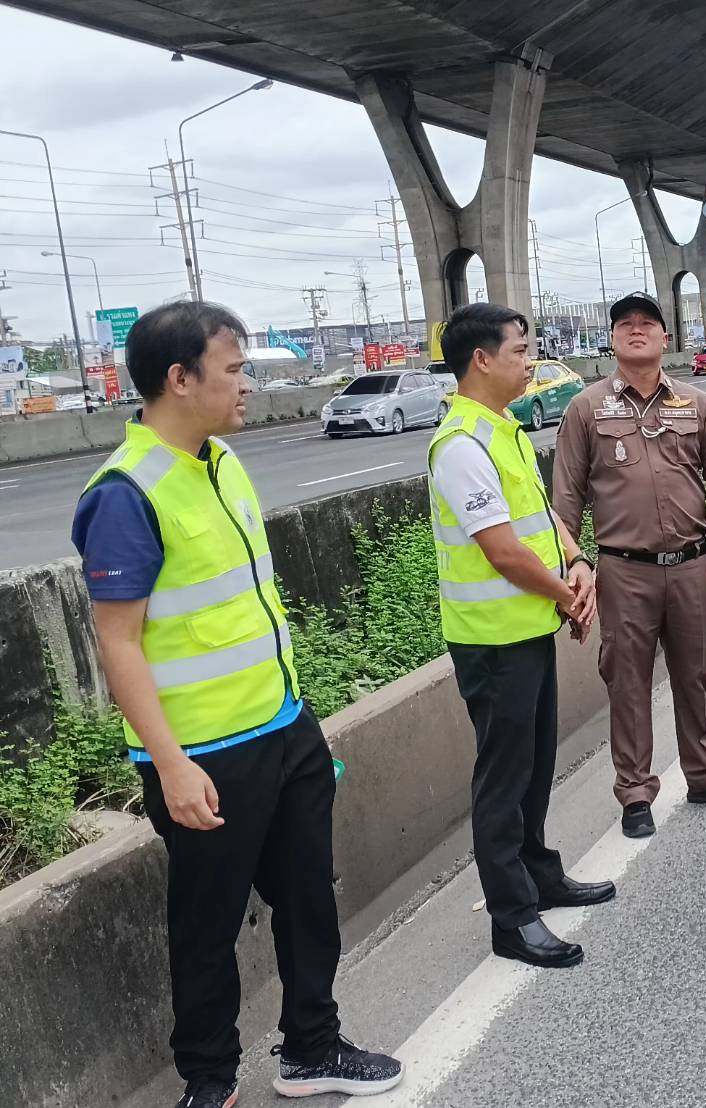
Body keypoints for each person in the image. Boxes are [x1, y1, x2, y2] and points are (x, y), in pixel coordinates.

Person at [72, 301, 402, 1108]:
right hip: (204, 755)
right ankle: (210, 1081)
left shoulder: (220, 461)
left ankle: (312, 1049)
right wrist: (172, 766)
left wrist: (297, 720)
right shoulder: (126, 492)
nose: (246, 384)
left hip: (283, 728)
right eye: (233, 369)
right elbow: (119, 645)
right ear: (180, 380)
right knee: (207, 926)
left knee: (307, 901)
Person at [430, 303, 615, 970]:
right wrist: (569, 597)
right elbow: (502, 551)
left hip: (528, 628)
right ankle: (511, 917)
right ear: (481, 360)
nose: (530, 361)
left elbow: (540, 519)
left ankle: (541, 875)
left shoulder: (502, 428)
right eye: (519, 350)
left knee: (534, 767)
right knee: (503, 780)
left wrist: (577, 561)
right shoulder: (461, 444)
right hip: (493, 641)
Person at [552, 291, 706, 839]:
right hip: (624, 571)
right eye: (626, 324)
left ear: (666, 338)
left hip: (690, 564)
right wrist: (570, 567)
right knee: (627, 681)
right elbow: (564, 499)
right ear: (612, 339)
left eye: (648, 323)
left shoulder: (695, 403)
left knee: (697, 672)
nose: (637, 330)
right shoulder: (586, 408)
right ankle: (636, 792)